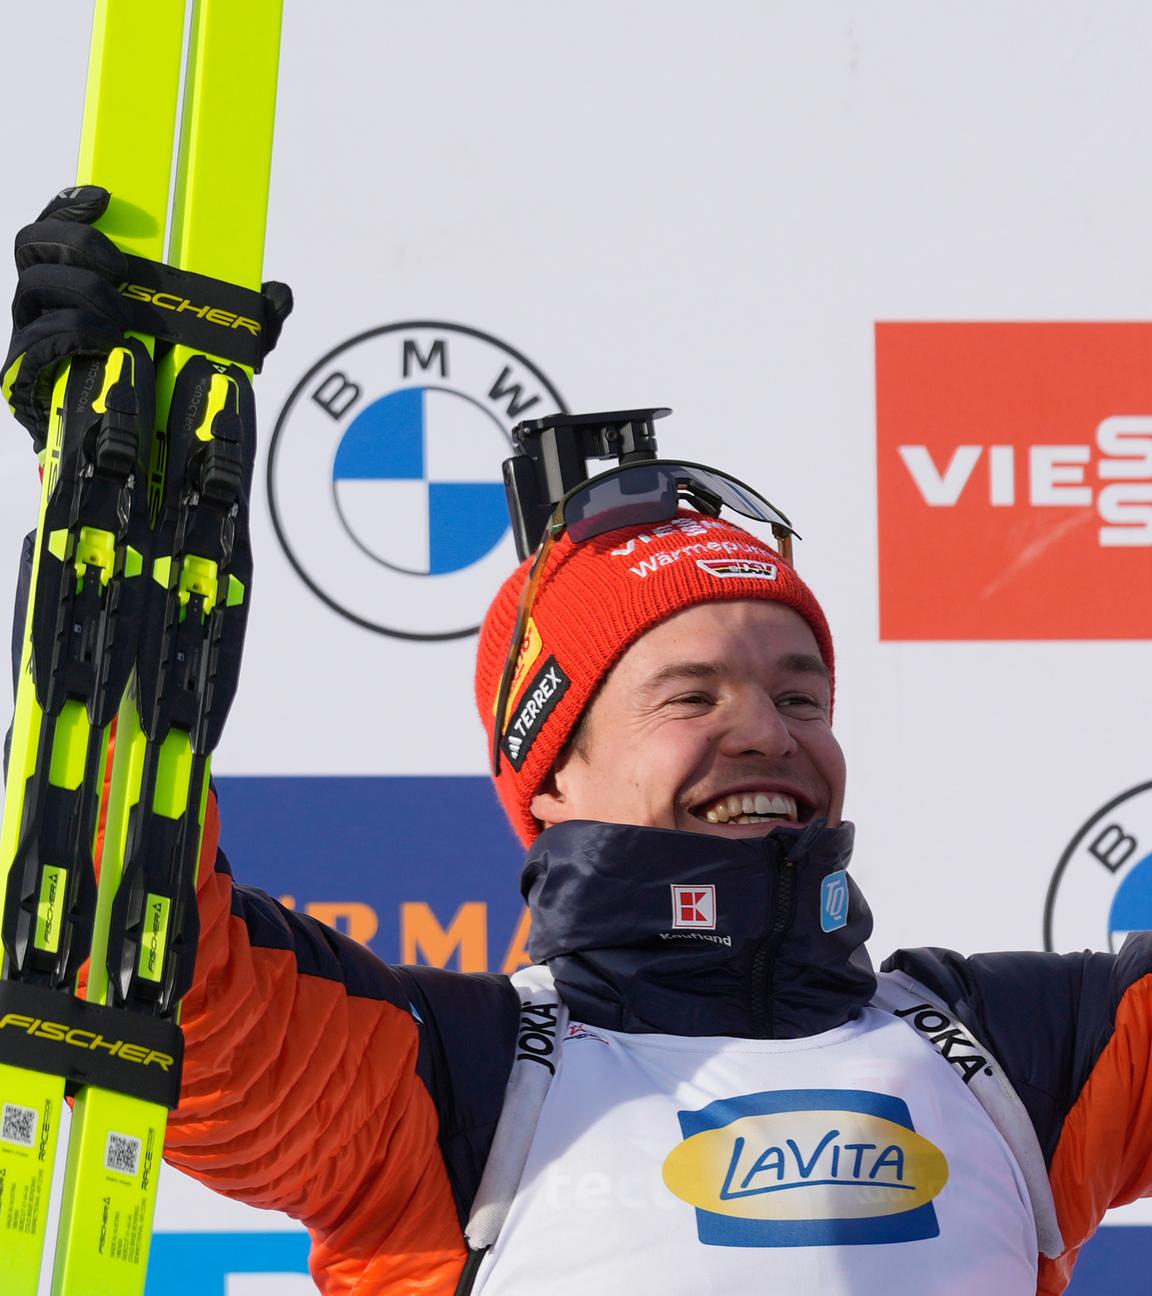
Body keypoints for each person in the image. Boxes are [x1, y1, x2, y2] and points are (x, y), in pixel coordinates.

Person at [5, 190, 1152, 1296]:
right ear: (549, 771)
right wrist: (108, 507)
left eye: (802, 697)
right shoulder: (457, 1086)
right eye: (691, 697)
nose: (765, 733)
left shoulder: (1015, 1055)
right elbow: (136, 961)